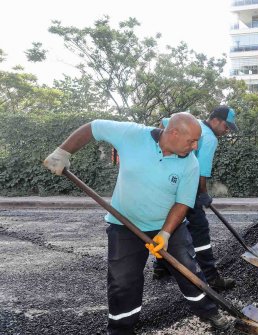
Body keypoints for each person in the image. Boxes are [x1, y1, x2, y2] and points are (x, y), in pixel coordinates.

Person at [43, 113, 234, 334]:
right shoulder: (132, 134)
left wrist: (165, 234)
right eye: (191, 141)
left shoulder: (190, 164)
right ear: (173, 132)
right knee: (123, 281)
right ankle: (121, 329)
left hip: (168, 226)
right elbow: (93, 127)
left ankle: (209, 311)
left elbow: (182, 203)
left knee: (188, 270)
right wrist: (63, 152)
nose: (194, 147)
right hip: (124, 225)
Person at [153, 106, 239, 292]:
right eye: (226, 126)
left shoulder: (190, 125)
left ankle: (161, 268)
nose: (227, 131)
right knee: (200, 230)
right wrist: (202, 194)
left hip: (170, 185)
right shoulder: (208, 138)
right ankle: (211, 277)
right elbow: (201, 172)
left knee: (169, 224)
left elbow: (165, 123)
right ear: (215, 120)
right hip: (187, 189)